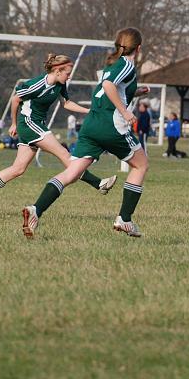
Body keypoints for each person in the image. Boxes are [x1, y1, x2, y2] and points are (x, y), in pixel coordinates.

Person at [21, 27, 149, 239]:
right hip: (111, 126)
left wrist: (136, 92)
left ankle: (35, 210)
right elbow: (108, 86)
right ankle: (124, 220)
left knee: (71, 173)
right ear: (139, 47)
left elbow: (111, 88)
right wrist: (125, 111)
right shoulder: (127, 64)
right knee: (141, 164)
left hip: (91, 125)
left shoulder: (112, 65)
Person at [0, 54, 117, 213]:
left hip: (36, 125)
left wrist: (89, 111)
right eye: (68, 73)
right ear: (58, 71)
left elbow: (66, 103)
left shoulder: (60, 84)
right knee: (63, 153)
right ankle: (98, 184)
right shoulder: (37, 84)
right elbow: (15, 100)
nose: (69, 76)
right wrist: (13, 123)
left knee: (18, 169)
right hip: (28, 124)